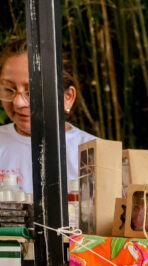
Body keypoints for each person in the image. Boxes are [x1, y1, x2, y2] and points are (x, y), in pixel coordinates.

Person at [0, 36, 95, 192]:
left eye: (33, 92)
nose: (18, 102)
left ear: (67, 98)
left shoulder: (95, 154)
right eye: (9, 90)